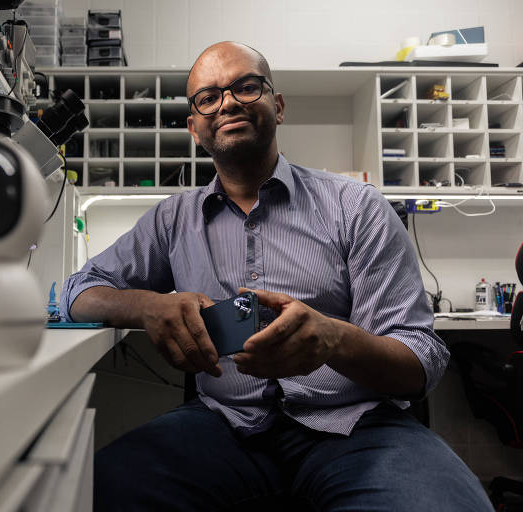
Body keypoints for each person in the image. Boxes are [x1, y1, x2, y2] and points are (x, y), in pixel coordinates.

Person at [60, 42, 492, 511]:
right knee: (92, 492)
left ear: (278, 105)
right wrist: (145, 306)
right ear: (193, 127)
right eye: (208, 97)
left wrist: (335, 340)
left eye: (246, 86)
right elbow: (76, 292)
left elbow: (421, 360)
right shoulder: (173, 220)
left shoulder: (356, 207)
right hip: (224, 425)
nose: (227, 103)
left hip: (355, 426)